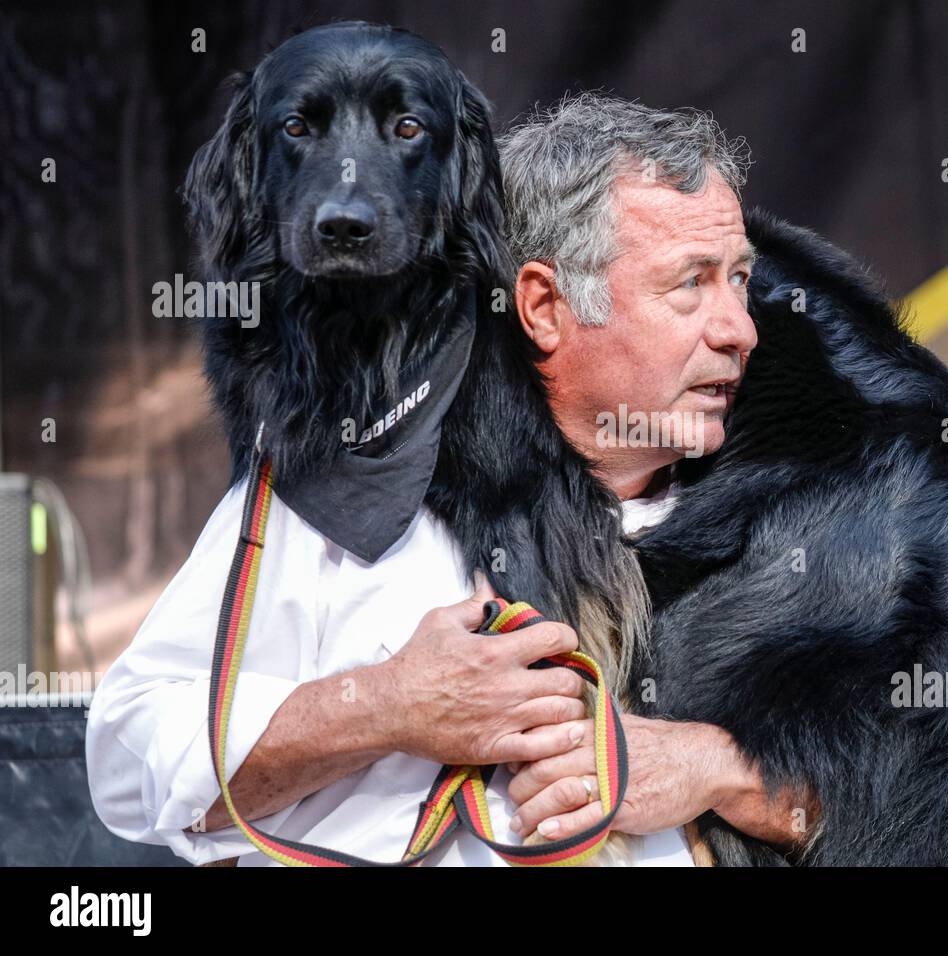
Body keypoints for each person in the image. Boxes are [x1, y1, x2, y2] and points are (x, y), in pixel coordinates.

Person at [85, 94, 810, 866]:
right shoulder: (353, 491)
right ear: (542, 305)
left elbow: (926, 785)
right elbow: (125, 763)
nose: (740, 328)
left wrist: (719, 771)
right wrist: (386, 709)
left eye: (738, 279)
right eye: (691, 284)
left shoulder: (801, 521)